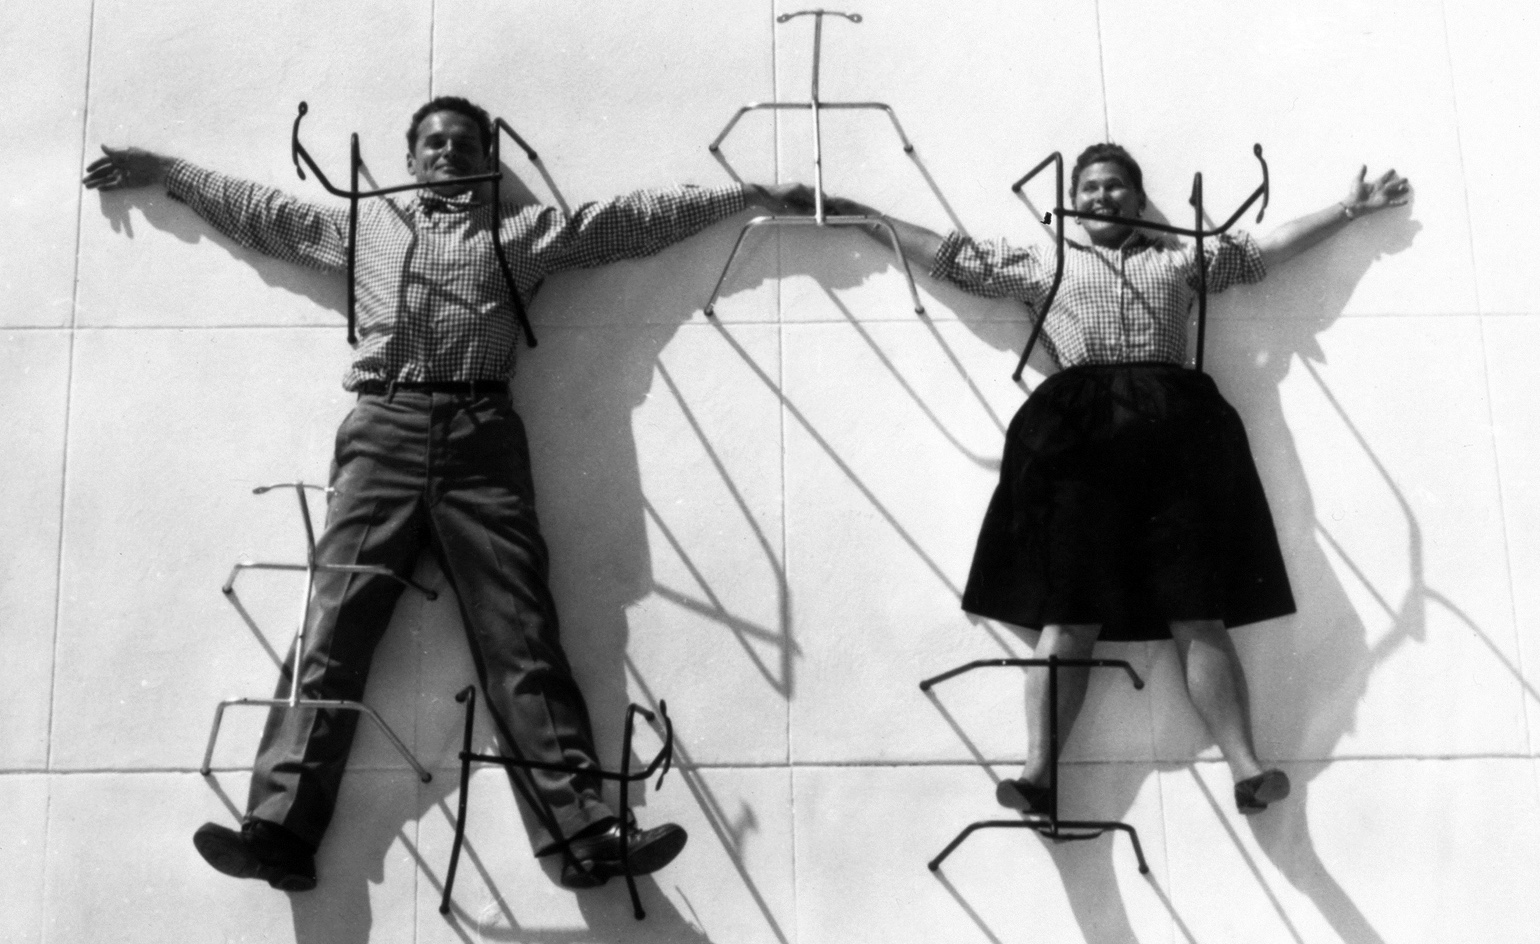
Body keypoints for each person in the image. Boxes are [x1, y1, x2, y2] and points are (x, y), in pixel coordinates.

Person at [82, 96, 803, 891]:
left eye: (464, 143)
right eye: (434, 143)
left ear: (486, 156)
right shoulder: (367, 231)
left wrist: (746, 196)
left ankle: (583, 837)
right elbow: (267, 215)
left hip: (481, 435)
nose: (450, 154)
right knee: (332, 625)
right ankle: (278, 833)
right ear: (411, 158)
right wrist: (167, 173)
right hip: (382, 431)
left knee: (520, 636)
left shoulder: (520, 237)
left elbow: (628, 223)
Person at [814, 144, 1409, 816]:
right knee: (1069, 615)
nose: (1103, 197)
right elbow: (949, 257)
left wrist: (1349, 211)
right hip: (1080, 439)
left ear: (1135, 198)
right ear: (1073, 199)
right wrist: (860, 214)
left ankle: (1247, 768)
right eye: (1091, 187)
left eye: (1116, 187)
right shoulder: (1045, 265)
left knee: (1198, 611)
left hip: (1176, 436)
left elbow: (1263, 253)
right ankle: (1038, 775)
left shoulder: (1180, 261)